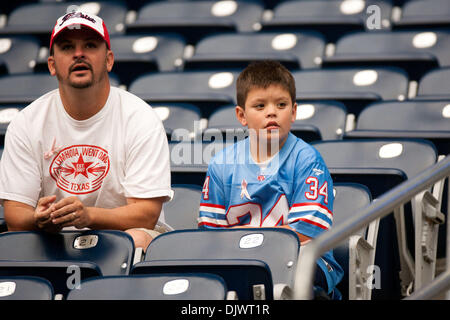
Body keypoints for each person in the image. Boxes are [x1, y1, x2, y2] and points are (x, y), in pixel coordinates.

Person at [0, 10, 173, 251]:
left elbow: (145, 216)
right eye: (67, 47)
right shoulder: (27, 123)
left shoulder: (140, 118)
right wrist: (38, 219)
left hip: (122, 238)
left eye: (90, 45)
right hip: (52, 241)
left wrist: (88, 217)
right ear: (52, 65)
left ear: (109, 60)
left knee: (136, 239)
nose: (79, 54)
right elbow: (16, 217)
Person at [198, 60, 343, 299]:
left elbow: (306, 233)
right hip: (240, 259)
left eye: (281, 104)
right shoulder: (220, 165)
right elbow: (210, 235)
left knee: (290, 278)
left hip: (301, 258)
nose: (271, 111)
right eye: (260, 105)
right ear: (241, 115)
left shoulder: (307, 160)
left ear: (294, 112)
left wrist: (248, 240)